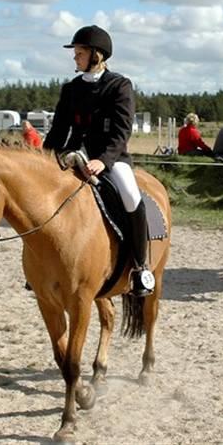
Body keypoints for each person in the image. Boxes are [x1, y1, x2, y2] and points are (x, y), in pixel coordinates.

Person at [43, 24, 155, 297]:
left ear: (97, 54)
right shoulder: (71, 89)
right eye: (76, 53)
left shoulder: (119, 86)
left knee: (131, 196)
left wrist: (103, 160)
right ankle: (44, 266)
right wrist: (44, 158)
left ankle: (140, 267)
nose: (75, 58)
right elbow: (59, 130)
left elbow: (121, 131)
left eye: (79, 53)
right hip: (72, 156)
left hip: (110, 158)